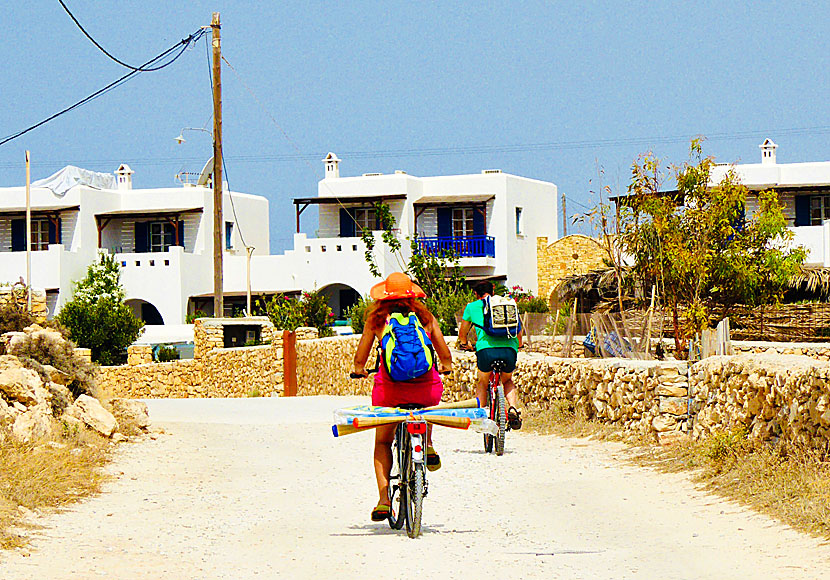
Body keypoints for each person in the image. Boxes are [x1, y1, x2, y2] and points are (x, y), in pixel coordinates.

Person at [352, 272, 452, 522]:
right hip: (426, 389)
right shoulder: (425, 318)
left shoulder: (376, 320)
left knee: (383, 443)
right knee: (425, 410)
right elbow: (444, 353)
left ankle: (384, 500)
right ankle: (426, 444)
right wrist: (446, 366)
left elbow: (359, 358)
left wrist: (359, 371)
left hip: (390, 391)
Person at [457, 281, 523, 430]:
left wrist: (464, 343)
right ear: (492, 292)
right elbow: (518, 330)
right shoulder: (506, 305)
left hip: (486, 351)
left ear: (476, 294)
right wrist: (518, 345)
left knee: (483, 381)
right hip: (509, 350)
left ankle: (481, 417)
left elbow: (463, 333)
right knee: (507, 381)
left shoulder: (471, 307)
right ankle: (512, 408)